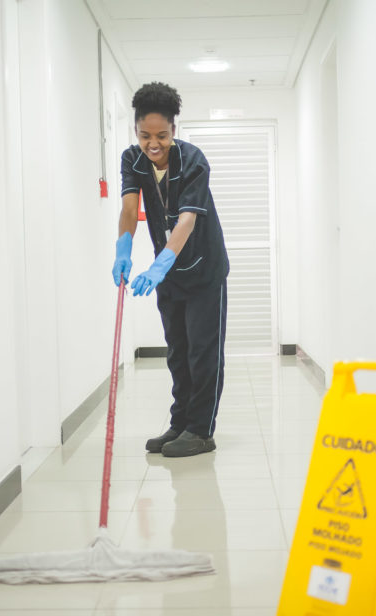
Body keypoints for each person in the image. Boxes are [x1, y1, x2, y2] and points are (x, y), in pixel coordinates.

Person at [112, 82, 229, 458]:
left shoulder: (194, 161)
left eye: (161, 135)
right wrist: (123, 249)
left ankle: (200, 430)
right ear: (136, 132)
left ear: (173, 132)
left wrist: (161, 263)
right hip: (171, 275)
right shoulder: (132, 159)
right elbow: (131, 209)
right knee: (177, 352)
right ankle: (180, 422)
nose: (153, 144)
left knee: (202, 352)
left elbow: (188, 221)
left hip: (203, 268)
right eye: (145, 135)